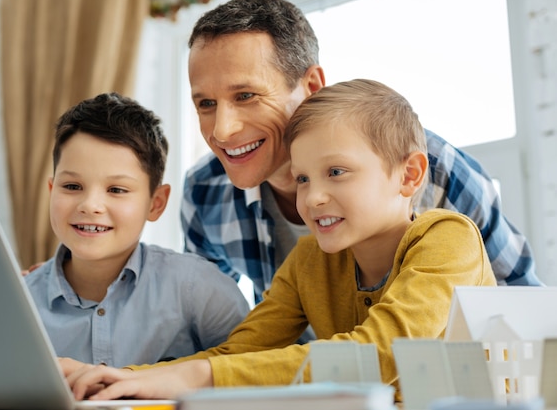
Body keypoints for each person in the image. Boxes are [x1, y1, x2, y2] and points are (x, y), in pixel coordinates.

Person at [60, 79, 498, 401]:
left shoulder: (447, 238)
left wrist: (195, 378)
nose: (313, 197)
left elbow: (385, 354)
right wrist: (118, 378)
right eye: (303, 178)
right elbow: (240, 349)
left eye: (336, 172)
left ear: (409, 175)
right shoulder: (310, 258)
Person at [180, 0, 542, 305]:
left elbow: (525, 314)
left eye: (246, 96)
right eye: (206, 104)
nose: (222, 130)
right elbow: (208, 330)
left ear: (311, 87)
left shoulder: (431, 170)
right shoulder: (204, 193)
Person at [24, 92, 250, 368]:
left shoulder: (201, 290)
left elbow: (249, 377)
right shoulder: (17, 303)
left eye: (116, 190)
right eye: (72, 187)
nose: (91, 205)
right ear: (51, 191)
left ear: (155, 204)